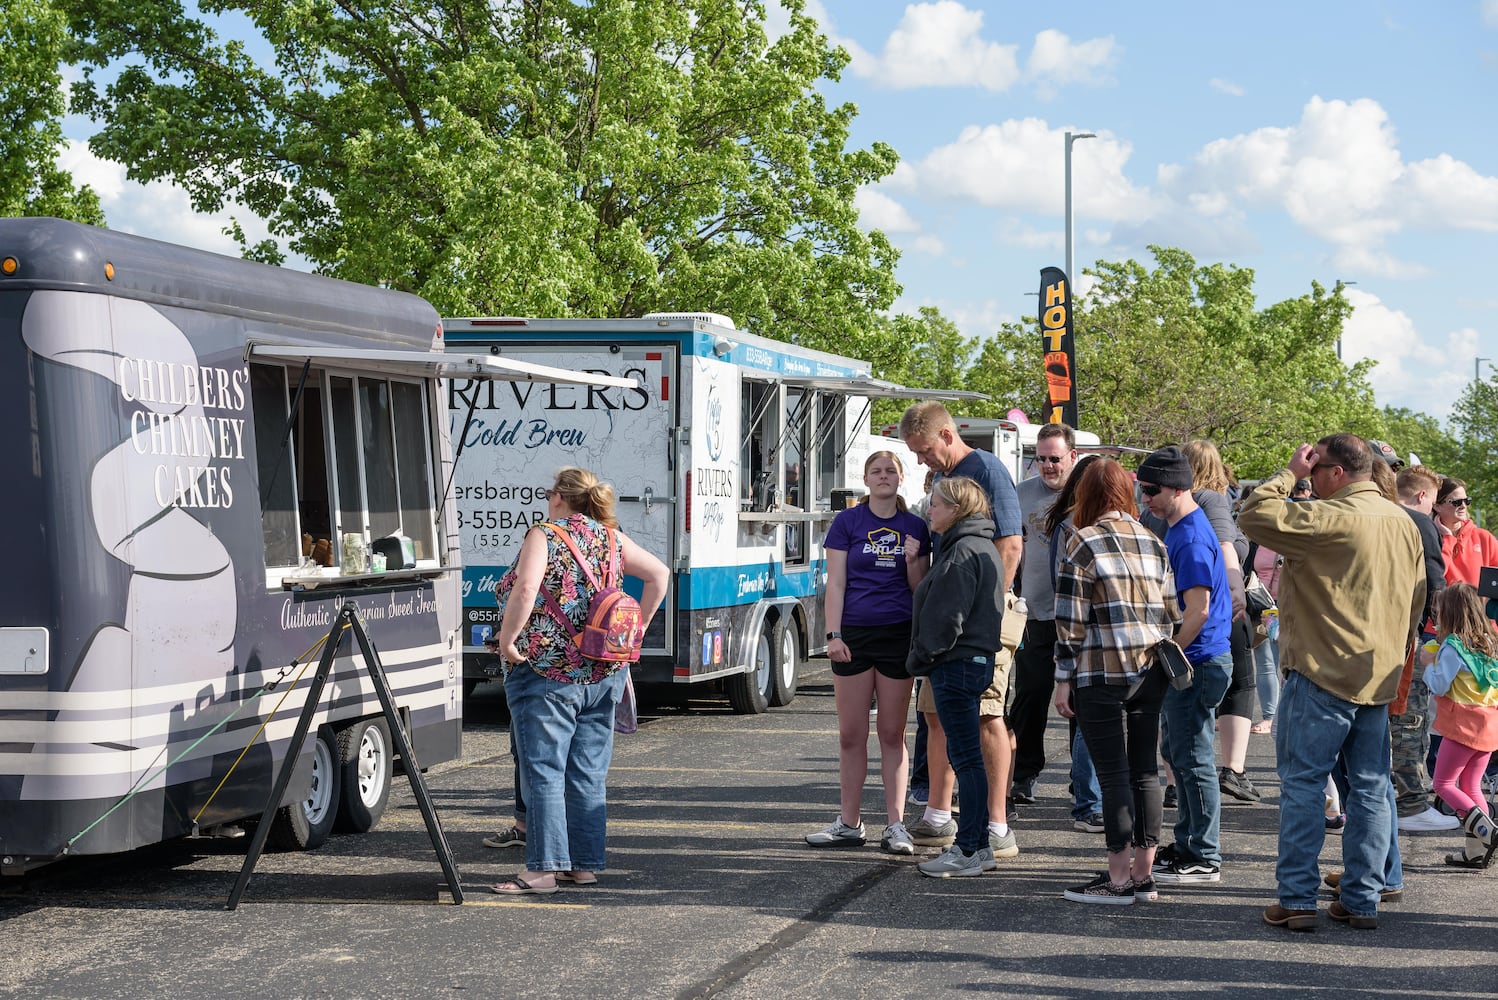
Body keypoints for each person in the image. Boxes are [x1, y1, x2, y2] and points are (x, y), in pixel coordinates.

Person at [1239, 434, 1424, 931]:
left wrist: (1289, 473)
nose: (1313, 478)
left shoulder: (1324, 517)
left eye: (1318, 469)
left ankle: (1297, 898)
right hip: (1378, 674)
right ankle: (1362, 899)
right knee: (1370, 789)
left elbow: (1252, 515)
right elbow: (1418, 599)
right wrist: (1396, 656)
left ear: (1336, 472)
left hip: (1321, 672)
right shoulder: (1402, 521)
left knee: (1302, 787)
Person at [490, 467, 669, 894]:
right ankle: (582, 866)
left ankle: (542, 872)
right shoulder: (611, 537)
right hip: (604, 670)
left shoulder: (545, 534)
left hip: (547, 671)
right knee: (587, 772)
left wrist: (508, 639)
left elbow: (527, 586)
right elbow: (659, 574)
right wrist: (637, 630)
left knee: (544, 770)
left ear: (557, 497)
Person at [901, 402, 1024, 858]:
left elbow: (1010, 545)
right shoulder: (942, 480)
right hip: (949, 617)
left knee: (986, 715)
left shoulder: (987, 469)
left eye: (925, 450)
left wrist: (990, 610)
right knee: (936, 713)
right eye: (915, 453)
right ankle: (939, 814)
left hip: (980, 619)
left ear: (948, 435)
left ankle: (996, 825)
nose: (920, 461)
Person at [1053, 459, 1175, 904]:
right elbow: (1172, 613)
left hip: (1099, 670)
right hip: (1150, 670)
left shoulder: (1082, 542)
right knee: (1145, 771)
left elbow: (1070, 623)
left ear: (1085, 494)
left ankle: (1118, 879)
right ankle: (1144, 876)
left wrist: (1062, 680)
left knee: (1112, 773)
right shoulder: (1153, 541)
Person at [807, 451, 930, 853]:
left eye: (890, 471)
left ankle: (896, 826)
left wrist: (913, 560)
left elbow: (920, 588)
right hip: (854, 635)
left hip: (898, 635)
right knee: (851, 734)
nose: (883, 477)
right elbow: (836, 584)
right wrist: (833, 634)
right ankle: (849, 823)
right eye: (876, 471)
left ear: (901, 478)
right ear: (865, 478)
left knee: (892, 733)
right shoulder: (847, 522)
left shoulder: (915, 527)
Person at [1138, 446, 1235, 886]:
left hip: (1198, 661)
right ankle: (1188, 845)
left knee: (1192, 760)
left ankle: (1205, 855)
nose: (1146, 500)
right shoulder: (1181, 527)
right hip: (1200, 659)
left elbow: (1197, 611)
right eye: (1142, 490)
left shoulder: (1192, 537)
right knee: (1178, 753)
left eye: (1152, 490)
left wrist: (1168, 656)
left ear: (1178, 487)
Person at [908, 476, 1006, 877]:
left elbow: (947, 617)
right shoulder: (977, 545)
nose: (929, 510)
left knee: (965, 758)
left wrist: (922, 658)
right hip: (971, 662)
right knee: (968, 758)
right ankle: (978, 847)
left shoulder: (964, 551)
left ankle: (968, 849)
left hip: (957, 663)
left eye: (936, 504)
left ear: (956, 509)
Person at [1181, 439, 1259, 803]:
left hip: (1181, 605)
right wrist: (1236, 588)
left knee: (1178, 690)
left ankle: (1173, 779)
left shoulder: (1167, 504)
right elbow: (1227, 546)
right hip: (1220, 606)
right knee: (1241, 684)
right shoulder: (1213, 500)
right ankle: (1233, 769)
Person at [1010, 423, 1079, 810]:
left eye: (1055, 458)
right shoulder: (1021, 494)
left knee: (1079, 704)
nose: (1048, 466)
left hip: (1080, 617)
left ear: (1072, 456)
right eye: (1041, 459)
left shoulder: (1086, 494)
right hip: (1035, 612)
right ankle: (1024, 775)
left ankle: (1082, 780)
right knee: (1031, 697)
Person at [1038, 451, 1107, 831]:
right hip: (1083, 633)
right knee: (1088, 721)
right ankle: (1088, 803)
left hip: (1095, 635)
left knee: (1093, 720)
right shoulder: (1071, 526)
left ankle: (1090, 798)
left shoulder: (1087, 524)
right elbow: (1063, 588)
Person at [1391, 464, 1457, 833]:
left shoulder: (1378, 515)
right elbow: (1436, 586)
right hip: (1406, 639)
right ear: (1422, 495)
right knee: (1409, 718)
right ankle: (1411, 803)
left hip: (1367, 638)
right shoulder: (1420, 523)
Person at [1422, 583, 1498, 868]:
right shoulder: (1489, 642)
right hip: (1490, 724)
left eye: (1439, 612)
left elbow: (1440, 686)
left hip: (1463, 725)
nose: (1436, 617)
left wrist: (1429, 663)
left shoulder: (1454, 646)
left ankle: (1488, 832)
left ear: (1451, 613)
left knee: (1442, 784)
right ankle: (1476, 851)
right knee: (1470, 785)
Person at [1434, 477, 1498, 587]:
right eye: (1456, 502)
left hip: (1478, 604)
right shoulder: (1429, 537)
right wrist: (1448, 538)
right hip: (1443, 604)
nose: (1463, 506)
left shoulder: (1484, 537)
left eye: (1466, 501)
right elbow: (1435, 575)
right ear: (1437, 506)